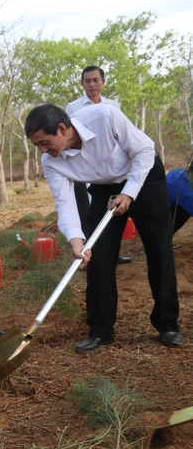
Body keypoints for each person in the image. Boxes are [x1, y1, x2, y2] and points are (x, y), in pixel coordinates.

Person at [24, 103, 182, 353]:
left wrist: (128, 194)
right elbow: (65, 203)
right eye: (37, 146)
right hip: (104, 187)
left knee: (160, 251)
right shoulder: (51, 162)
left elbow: (144, 151)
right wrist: (76, 240)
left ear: (62, 128)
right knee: (97, 256)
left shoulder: (103, 116)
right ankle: (100, 330)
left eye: (45, 142)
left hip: (144, 176)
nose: (43, 150)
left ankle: (167, 324)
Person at [64, 66, 132, 265]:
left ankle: (113, 252)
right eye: (87, 81)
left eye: (95, 80)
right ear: (81, 83)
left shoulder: (113, 106)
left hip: (111, 169)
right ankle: (87, 253)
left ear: (103, 82)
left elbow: (121, 136)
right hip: (86, 170)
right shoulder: (73, 108)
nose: (92, 84)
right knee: (88, 212)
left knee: (112, 210)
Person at [166, 167, 193, 234]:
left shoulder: (180, 173)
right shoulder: (185, 191)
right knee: (184, 211)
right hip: (156, 214)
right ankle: (161, 242)